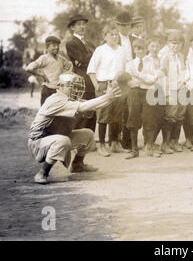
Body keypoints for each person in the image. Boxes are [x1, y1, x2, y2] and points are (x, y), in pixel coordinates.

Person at [28, 73, 122, 184]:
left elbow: (93, 105)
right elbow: (83, 107)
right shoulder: (56, 100)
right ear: (61, 86)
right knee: (63, 140)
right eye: (72, 86)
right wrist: (107, 96)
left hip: (53, 138)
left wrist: (111, 97)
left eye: (76, 87)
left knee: (88, 134)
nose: (76, 90)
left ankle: (78, 164)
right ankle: (42, 173)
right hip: (38, 142)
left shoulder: (69, 99)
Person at [87, 24, 128, 156]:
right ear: (105, 36)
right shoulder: (100, 50)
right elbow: (91, 70)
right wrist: (97, 86)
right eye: (111, 35)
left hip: (118, 84)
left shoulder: (122, 50)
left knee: (117, 115)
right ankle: (102, 145)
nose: (114, 37)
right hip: (104, 84)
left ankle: (115, 143)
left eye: (116, 34)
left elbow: (125, 68)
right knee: (103, 115)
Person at [65, 14, 97, 131]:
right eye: (79, 24)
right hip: (81, 81)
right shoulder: (71, 43)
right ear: (72, 27)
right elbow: (83, 59)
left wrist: (89, 58)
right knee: (82, 110)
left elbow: (87, 60)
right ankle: (79, 141)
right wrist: (96, 53)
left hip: (92, 80)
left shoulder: (90, 44)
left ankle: (89, 140)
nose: (82, 27)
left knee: (92, 110)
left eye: (84, 24)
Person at [160, 32, 187, 153]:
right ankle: (165, 143)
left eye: (178, 44)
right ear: (168, 44)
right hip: (170, 89)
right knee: (170, 115)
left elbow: (184, 71)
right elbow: (163, 75)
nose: (175, 46)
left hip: (181, 88)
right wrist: (166, 92)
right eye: (173, 43)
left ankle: (174, 141)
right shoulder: (165, 56)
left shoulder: (181, 56)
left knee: (180, 115)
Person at [25, 36, 72, 105]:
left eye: (57, 45)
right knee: (45, 114)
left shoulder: (61, 59)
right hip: (48, 91)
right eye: (53, 45)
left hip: (59, 92)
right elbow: (29, 68)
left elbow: (71, 66)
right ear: (47, 47)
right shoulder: (44, 58)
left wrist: (67, 75)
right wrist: (42, 74)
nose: (56, 47)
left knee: (59, 114)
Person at [115, 11, 136, 150]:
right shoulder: (112, 39)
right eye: (122, 26)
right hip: (117, 76)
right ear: (117, 26)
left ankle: (127, 141)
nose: (125, 28)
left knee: (131, 108)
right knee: (117, 109)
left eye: (128, 25)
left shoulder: (134, 39)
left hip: (132, 76)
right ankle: (115, 139)